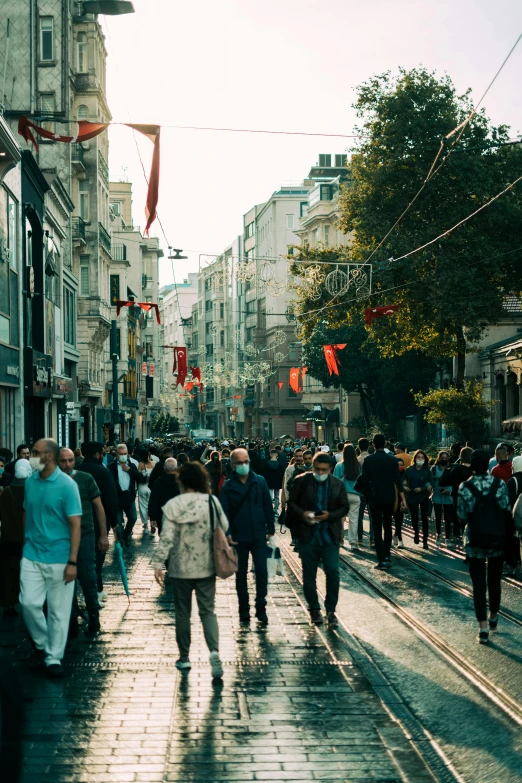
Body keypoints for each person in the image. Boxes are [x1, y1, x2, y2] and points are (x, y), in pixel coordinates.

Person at [153, 461, 229, 677]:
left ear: (181, 481)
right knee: (208, 611)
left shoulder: (174, 505)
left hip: (180, 568)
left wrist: (159, 563)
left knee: (183, 613)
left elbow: (166, 537)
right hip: (206, 566)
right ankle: (214, 651)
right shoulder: (212, 502)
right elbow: (224, 526)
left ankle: (184, 657)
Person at [19, 439, 81, 677]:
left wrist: (72, 561)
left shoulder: (67, 486)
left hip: (60, 557)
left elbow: (75, 524)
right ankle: (45, 645)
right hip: (32, 554)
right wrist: (25, 541)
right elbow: (27, 512)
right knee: (29, 603)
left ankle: (53, 658)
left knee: (58, 611)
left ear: (49, 457)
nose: (31, 456)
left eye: (36, 453)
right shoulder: (31, 483)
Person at [287, 452, 349, 626]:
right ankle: (314, 609)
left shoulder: (338, 484)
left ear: (330, 469)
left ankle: (331, 610)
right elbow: (291, 503)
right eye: (317, 469)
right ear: (312, 467)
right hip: (308, 535)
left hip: (329, 536)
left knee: (333, 572)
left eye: (324, 470)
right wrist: (303, 514)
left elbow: (344, 507)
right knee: (308, 575)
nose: (320, 473)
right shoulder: (302, 481)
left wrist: (330, 515)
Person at [457, 449, 511, 644]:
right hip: (496, 539)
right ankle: (494, 616)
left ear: (472, 465)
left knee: (478, 585)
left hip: (474, 541)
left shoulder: (465, 486)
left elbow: (462, 515)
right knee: (494, 580)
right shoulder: (500, 485)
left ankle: (482, 628)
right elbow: (505, 508)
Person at [219, 448, 274, 625]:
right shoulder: (228, 486)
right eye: (240, 462)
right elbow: (223, 513)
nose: (244, 465)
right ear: (233, 464)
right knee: (241, 575)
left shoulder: (260, 481)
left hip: (258, 535)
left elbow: (267, 505)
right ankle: (244, 609)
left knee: (262, 572)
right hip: (238, 537)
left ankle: (261, 607)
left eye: (246, 461)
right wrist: (227, 534)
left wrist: (271, 527)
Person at [58, 448, 108, 637]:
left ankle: (94, 619)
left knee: (88, 577)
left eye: (71, 460)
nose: (67, 465)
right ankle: (69, 622)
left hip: (85, 534)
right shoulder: (51, 481)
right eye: (63, 461)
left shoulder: (86, 479)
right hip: (60, 538)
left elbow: (98, 506)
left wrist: (103, 535)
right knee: (64, 580)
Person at [76, 441, 120, 604]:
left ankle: (89, 591)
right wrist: (114, 522)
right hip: (97, 521)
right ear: (97, 454)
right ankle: (96, 591)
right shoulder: (103, 471)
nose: (104, 455)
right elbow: (110, 499)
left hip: (76, 521)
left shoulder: (76, 471)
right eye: (102, 452)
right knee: (97, 559)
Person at [358, 434, 406, 569]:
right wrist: (403, 500)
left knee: (377, 528)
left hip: (375, 499)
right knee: (388, 526)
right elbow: (398, 481)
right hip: (390, 497)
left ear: (373, 444)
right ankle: (387, 555)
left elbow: (364, 479)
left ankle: (381, 560)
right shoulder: (392, 460)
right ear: (385, 444)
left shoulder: (368, 460)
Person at [0, 459, 32, 617]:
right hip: (29, 540)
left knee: (9, 572)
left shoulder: (5, 492)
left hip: (8, 539)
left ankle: (8, 604)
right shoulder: (33, 490)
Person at [108, 443, 147, 545]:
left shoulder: (132, 465)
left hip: (129, 498)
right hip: (117, 498)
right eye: (121, 453)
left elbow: (141, 478)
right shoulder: (111, 467)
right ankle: (121, 541)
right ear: (116, 454)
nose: (123, 455)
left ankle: (126, 534)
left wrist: (129, 470)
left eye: (125, 453)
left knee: (133, 518)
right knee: (119, 522)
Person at [439, 446, 473, 546]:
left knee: (462, 522)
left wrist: (448, 469)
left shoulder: (457, 469)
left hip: (458, 498)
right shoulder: (474, 469)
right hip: (473, 498)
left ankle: (465, 542)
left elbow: (442, 482)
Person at [334, 444, 362, 552]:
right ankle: (353, 543)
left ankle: (340, 541)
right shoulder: (358, 466)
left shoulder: (339, 466)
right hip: (355, 495)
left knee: (340, 519)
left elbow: (335, 482)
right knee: (354, 520)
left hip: (342, 496)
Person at [403, 450, 432, 549]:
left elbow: (430, 482)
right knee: (414, 517)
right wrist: (405, 486)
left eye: (422, 457)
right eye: (418, 457)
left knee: (424, 518)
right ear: (415, 458)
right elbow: (403, 481)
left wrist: (422, 488)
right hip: (412, 496)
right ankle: (416, 533)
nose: (420, 459)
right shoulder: (409, 470)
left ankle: (425, 540)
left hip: (423, 496)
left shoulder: (427, 470)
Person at [149, 458, 180, 534]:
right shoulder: (182, 482)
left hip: (162, 515)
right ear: (176, 468)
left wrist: (152, 517)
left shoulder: (158, 482)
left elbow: (153, 500)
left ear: (164, 468)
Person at [430, 450, 454, 545]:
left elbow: (454, 482)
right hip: (437, 496)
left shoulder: (451, 469)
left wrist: (448, 490)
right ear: (439, 459)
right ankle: (438, 535)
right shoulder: (434, 469)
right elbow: (430, 480)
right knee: (438, 517)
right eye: (442, 458)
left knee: (448, 518)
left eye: (446, 458)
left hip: (448, 496)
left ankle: (448, 538)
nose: (444, 459)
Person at [136, 448, 157, 530]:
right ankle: (152, 521)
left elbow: (138, 476)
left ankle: (145, 523)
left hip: (142, 487)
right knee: (151, 505)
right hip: (151, 487)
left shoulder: (140, 464)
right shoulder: (154, 463)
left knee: (143, 506)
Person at [263, 448, 285, 515]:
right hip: (277, 482)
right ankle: (275, 510)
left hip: (269, 482)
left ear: (270, 455)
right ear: (276, 455)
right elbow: (282, 474)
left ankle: (270, 509)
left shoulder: (266, 464)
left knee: (269, 496)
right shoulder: (279, 464)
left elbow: (264, 473)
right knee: (276, 496)